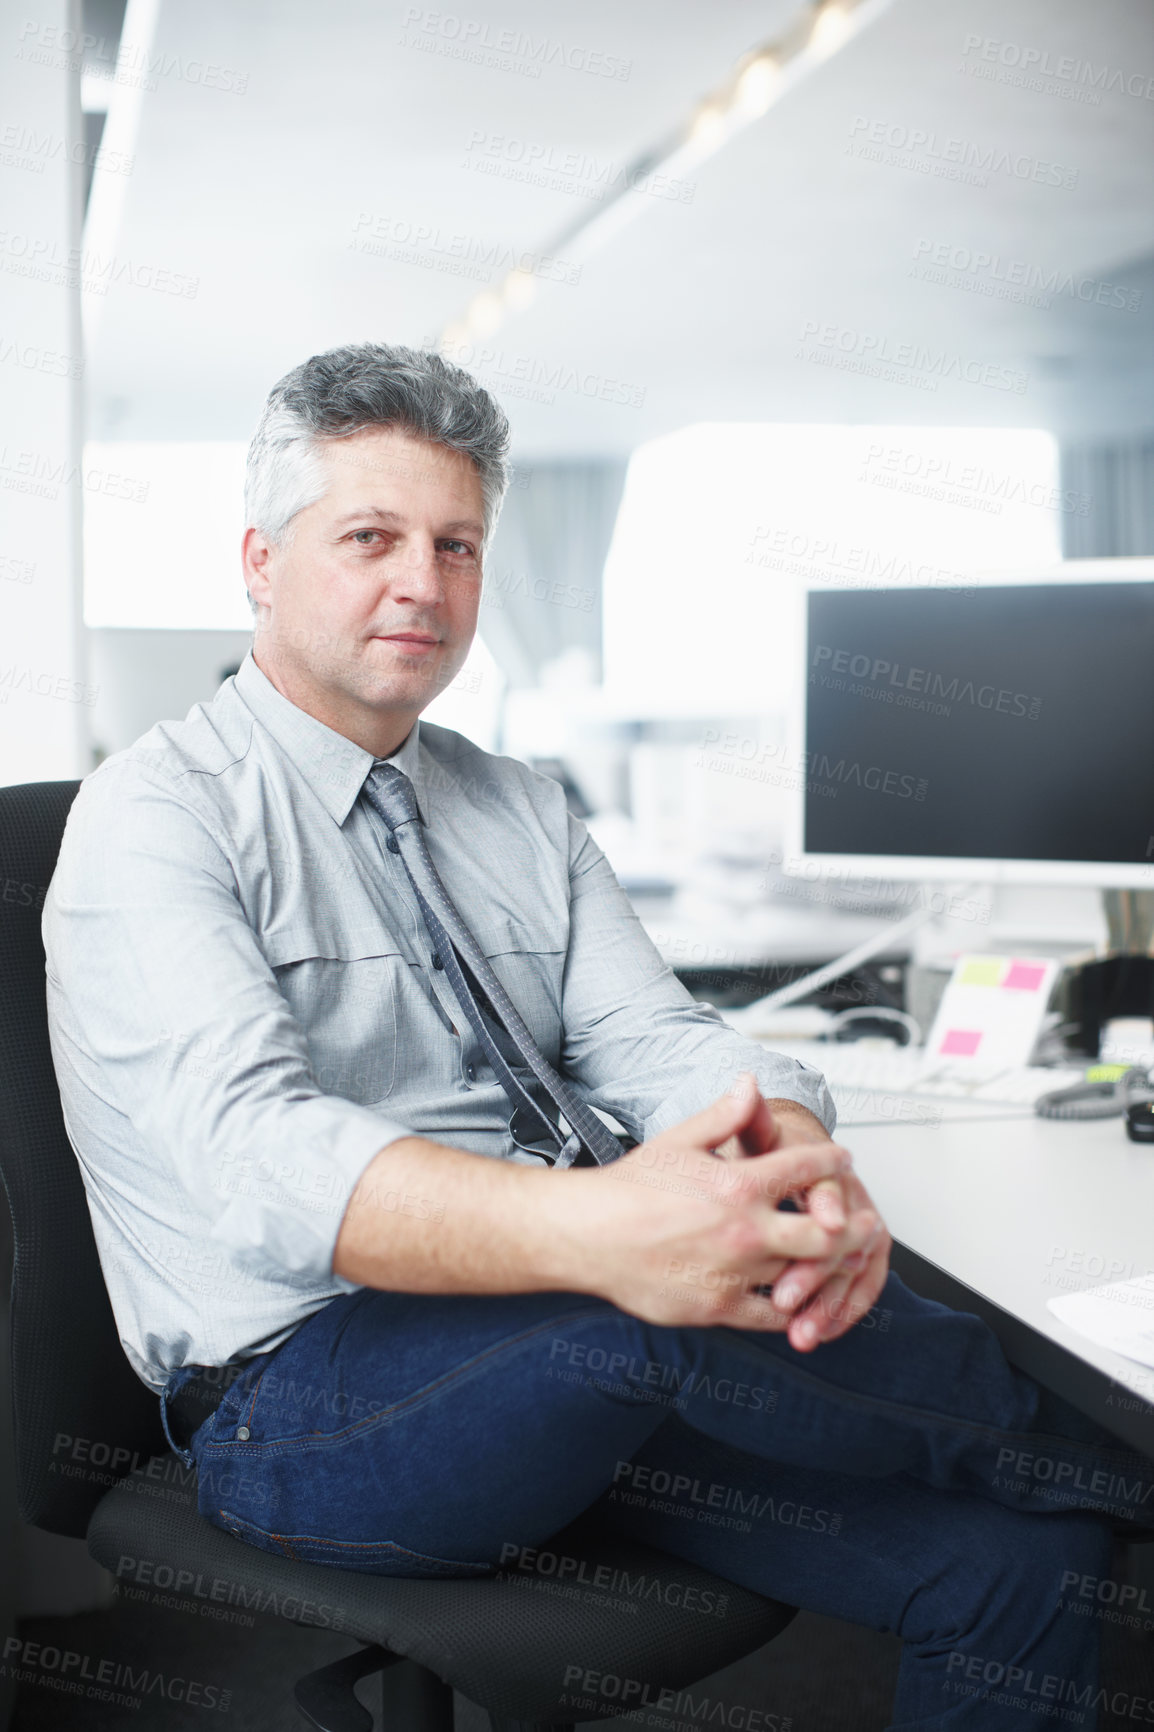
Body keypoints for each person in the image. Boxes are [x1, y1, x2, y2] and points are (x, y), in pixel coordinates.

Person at [44, 342, 1149, 1730]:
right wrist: (615, 1232)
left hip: (564, 1357)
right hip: (302, 1408)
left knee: (1023, 1563)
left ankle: (1088, 1479)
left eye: (456, 545)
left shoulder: (514, 805)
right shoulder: (157, 814)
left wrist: (789, 1152)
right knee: (640, 1294)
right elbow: (261, 1161)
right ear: (261, 562)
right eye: (369, 538)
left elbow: (654, 1035)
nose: (422, 584)